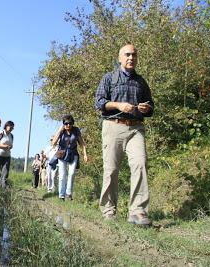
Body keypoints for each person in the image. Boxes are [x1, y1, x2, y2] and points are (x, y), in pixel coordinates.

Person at [95, 43, 154, 226]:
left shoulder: (141, 81)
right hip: (114, 126)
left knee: (140, 164)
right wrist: (119, 105)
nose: (131, 58)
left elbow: (151, 106)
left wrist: (146, 108)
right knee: (111, 170)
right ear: (120, 58)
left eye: (134, 55)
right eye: (127, 55)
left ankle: (137, 211)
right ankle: (109, 210)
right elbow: (99, 102)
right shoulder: (109, 78)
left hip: (136, 128)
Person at [52, 115, 88, 201]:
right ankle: (61, 195)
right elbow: (53, 143)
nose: (68, 125)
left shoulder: (76, 130)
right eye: (66, 123)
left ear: (73, 123)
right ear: (63, 124)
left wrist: (85, 154)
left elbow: (82, 143)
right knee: (62, 175)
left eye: (70, 123)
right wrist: (60, 130)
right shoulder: (62, 131)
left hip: (73, 153)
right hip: (62, 154)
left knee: (71, 174)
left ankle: (69, 193)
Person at [0, 120, 14, 188]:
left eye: (13, 128)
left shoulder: (11, 135)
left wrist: (11, 147)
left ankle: (3, 189)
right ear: (6, 126)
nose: (12, 129)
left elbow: (11, 145)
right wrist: (5, 146)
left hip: (7, 156)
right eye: (11, 127)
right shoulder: (0, 133)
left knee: (5, 173)